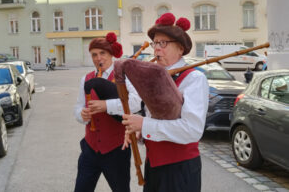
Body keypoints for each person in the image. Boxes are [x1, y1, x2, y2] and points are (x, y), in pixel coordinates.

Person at [122, 13, 209, 192]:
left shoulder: (194, 79)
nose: (156, 49)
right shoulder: (154, 78)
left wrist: (144, 124)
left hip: (180, 170)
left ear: (180, 48)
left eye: (163, 43)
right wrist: (140, 131)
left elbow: (192, 130)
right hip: (153, 166)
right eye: (155, 43)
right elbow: (153, 117)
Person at [74, 32, 141, 192]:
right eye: (94, 55)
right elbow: (78, 107)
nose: (98, 58)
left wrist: (106, 106)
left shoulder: (124, 75)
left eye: (102, 53)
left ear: (111, 54)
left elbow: (136, 103)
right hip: (90, 148)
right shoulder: (86, 78)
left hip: (116, 149)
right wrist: (82, 115)